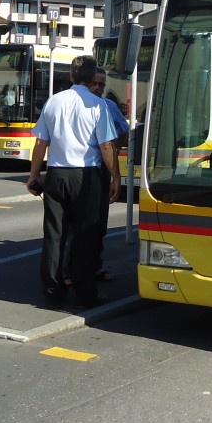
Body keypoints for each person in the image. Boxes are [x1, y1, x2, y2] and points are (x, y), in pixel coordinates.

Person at [27, 55, 121, 309]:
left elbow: (40, 143)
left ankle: (53, 291)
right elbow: (106, 146)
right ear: (93, 78)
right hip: (86, 175)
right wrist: (116, 176)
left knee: (54, 235)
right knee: (85, 236)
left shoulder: (53, 102)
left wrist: (34, 175)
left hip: (56, 174)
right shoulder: (97, 105)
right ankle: (84, 293)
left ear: (71, 76)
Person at [88, 68, 129, 283]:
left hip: (101, 168)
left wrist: (114, 151)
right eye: (94, 83)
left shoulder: (108, 106)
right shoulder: (76, 104)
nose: (97, 88)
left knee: (98, 222)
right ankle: (71, 270)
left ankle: (95, 266)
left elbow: (124, 131)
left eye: (101, 84)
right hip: (79, 169)